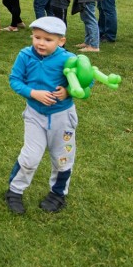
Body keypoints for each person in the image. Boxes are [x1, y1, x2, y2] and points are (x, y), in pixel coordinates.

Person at [4, 16, 78, 215]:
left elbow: (86, 82)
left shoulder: (69, 60)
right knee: (30, 157)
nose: (41, 43)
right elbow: (15, 80)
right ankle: (14, 191)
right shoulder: (25, 55)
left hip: (63, 118)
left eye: (48, 39)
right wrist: (33, 93)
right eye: (37, 37)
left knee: (62, 159)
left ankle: (57, 194)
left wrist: (68, 91)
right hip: (35, 115)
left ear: (61, 41)